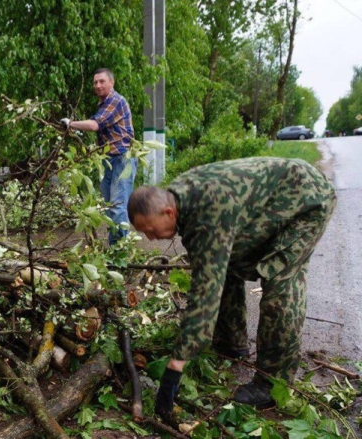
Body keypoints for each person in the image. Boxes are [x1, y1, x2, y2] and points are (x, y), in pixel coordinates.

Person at [126, 157, 336, 417]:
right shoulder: (179, 198)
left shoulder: (206, 212)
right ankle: (231, 342)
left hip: (306, 200)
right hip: (268, 204)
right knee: (225, 264)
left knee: (280, 285)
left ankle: (273, 384)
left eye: (150, 230)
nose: (150, 238)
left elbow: (205, 292)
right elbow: (210, 265)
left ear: (168, 213)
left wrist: (176, 364)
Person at [61, 68, 137, 245]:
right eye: (95, 82)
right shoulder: (103, 105)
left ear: (112, 82)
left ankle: (120, 252)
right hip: (109, 160)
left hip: (123, 159)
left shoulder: (115, 100)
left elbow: (95, 125)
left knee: (118, 207)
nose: (98, 85)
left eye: (102, 81)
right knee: (110, 207)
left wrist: (70, 124)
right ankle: (114, 249)